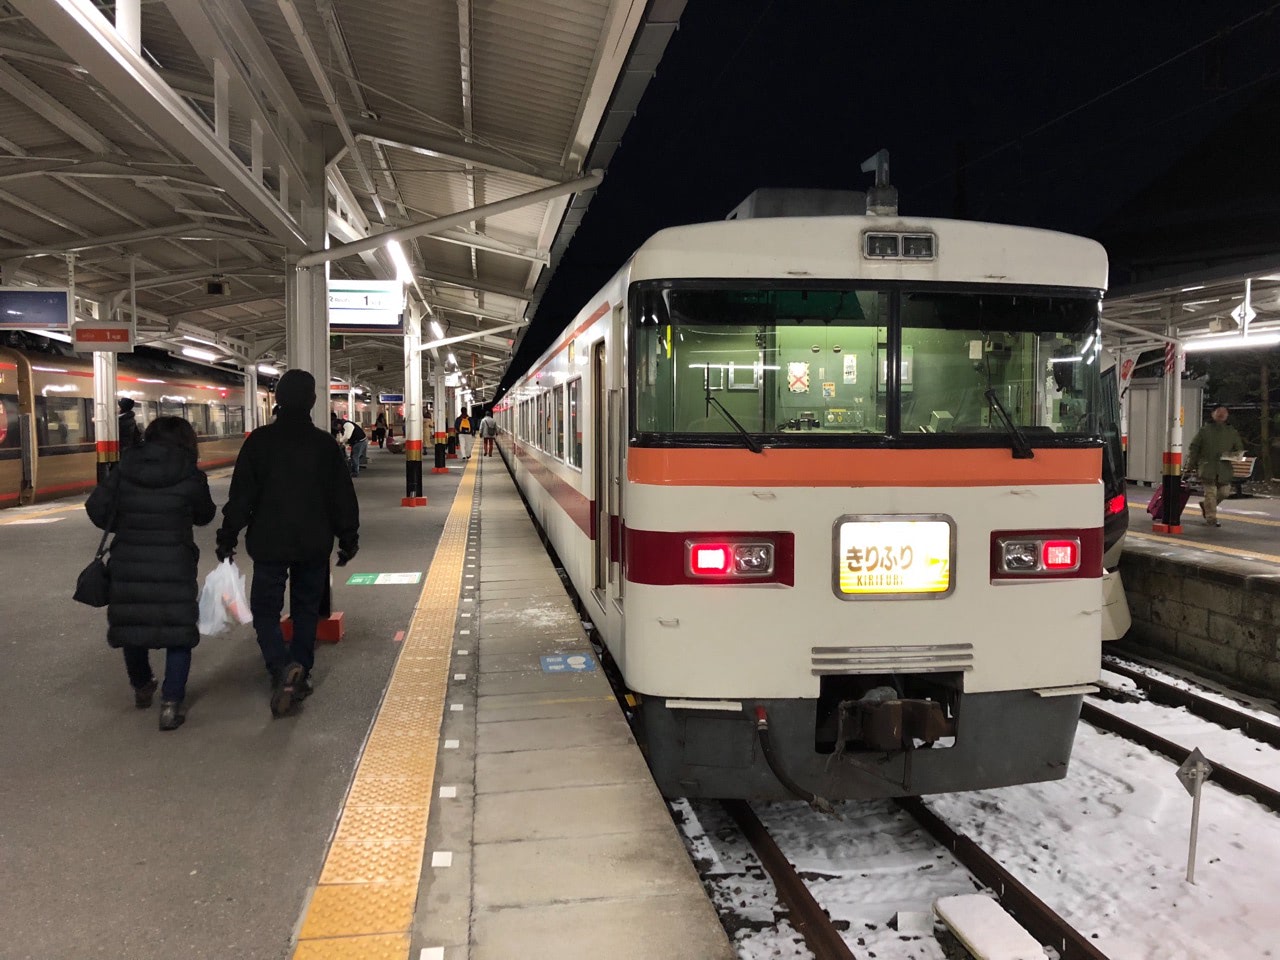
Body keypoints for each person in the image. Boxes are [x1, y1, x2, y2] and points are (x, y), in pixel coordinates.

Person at [217, 370, 360, 718]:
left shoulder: (259, 442)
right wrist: (348, 538)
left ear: (277, 399)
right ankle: (301, 669)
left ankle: (279, 668)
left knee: (265, 610)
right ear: (312, 401)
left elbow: (241, 498)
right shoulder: (325, 444)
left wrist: (227, 536)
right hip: (313, 542)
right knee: (305, 609)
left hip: (268, 542)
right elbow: (342, 496)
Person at [86, 416, 216, 731]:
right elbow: (204, 515)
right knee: (179, 631)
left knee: (135, 622)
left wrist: (125, 527)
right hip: (175, 561)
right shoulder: (189, 472)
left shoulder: (125, 468)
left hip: (129, 560)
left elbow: (96, 507)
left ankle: (142, 687)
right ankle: (171, 704)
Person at [1186, 405, 1245, 527]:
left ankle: (1206, 506)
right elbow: (1194, 448)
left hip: (1224, 469)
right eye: (1219, 412)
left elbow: (1239, 448)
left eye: (1224, 412)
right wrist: (1191, 465)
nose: (1221, 414)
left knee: (1224, 492)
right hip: (1207, 467)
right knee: (1210, 493)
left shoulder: (1231, 432)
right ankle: (1211, 518)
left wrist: (1234, 455)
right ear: (1213, 414)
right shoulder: (1204, 431)